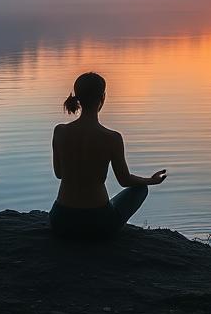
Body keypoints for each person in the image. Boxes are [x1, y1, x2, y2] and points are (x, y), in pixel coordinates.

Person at [50, 72, 166, 239]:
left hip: (61, 221)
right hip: (98, 223)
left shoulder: (59, 131)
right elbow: (124, 180)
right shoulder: (112, 138)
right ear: (102, 98)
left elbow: (59, 173)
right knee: (140, 189)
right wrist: (151, 180)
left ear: (78, 99)